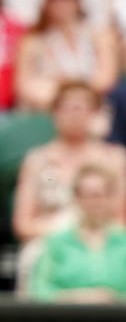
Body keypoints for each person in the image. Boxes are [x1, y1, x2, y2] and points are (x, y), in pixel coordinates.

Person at [14, 82, 126, 284]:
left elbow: (120, 219)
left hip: (105, 239)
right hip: (49, 239)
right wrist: (63, 229)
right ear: (54, 112)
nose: (74, 114)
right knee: (34, 256)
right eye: (67, 107)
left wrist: (90, 235)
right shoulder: (38, 161)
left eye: (81, 107)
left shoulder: (115, 160)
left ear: (95, 113)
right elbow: (23, 224)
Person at [14, 0, 117, 112]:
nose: (61, 1)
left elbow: (106, 80)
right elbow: (24, 87)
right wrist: (73, 91)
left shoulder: (99, 36)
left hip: (93, 114)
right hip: (47, 114)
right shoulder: (33, 40)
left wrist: (61, 86)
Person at [30, 165, 126, 302]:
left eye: (98, 195)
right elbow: (38, 290)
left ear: (111, 197)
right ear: (76, 198)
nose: (92, 202)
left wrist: (112, 298)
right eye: (85, 195)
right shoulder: (56, 241)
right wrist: (74, 297)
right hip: (67, 318)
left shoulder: (123, 240)